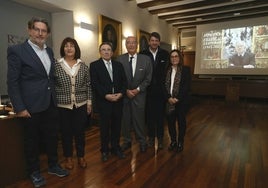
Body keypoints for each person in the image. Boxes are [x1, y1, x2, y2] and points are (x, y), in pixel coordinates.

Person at [7, 17, 69, 188]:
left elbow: (48, 78)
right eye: (37, 29)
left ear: (47, 34)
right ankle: (34, 172)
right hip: (30, 106)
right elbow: (12, 82)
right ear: (29, 30)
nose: (40, 33)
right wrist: (19, 107)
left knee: (51, 137)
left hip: (50, 103)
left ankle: (53, 165)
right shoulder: (17, 50)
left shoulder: (49, 51)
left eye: (43, 31)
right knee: (31, 141)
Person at [54, 37, 92, 169]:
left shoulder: (83, 66)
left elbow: (88, 86)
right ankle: (68, 158)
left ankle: (81, 157)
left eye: (72, 46)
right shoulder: (56, 65)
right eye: (66, 46)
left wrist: (89, 103)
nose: (69, 48)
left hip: (80, 105)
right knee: (66, 133)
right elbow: (52, 86)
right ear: (62, 49)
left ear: (76, 49)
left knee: (80, 132)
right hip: (63, 106)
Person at [90, 42, 127, 162]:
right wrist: (106, 95)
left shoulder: (118, 65)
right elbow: (95, 84)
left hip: (118, 101)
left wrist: (121, 94)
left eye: (108, 49)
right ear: (100, 52)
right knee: (104, 128)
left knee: (117, 126)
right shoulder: (94, 65)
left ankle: (116, 147)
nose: (106, 52)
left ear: (112, 52)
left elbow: (124, 82)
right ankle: (104, 150)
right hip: (104, 102)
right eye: (103, 49)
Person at [117, 36, 152, 153]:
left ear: (137, 44)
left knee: (139, 120)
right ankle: (127, 141)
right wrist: (126, 90)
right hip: (124, 95)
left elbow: (148, 78)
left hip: (140, 95)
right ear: (125, 45)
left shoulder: (146, 59)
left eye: (133, 43)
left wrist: (137, 89)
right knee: (125, 120)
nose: (131, 45)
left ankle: (142, 141)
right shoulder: (119, 59)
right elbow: (118, 78)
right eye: (128, 43)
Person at [140, 32, 169, 150]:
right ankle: (151, 138)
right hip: (147, 91)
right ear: (149, 42)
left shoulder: (165, 54)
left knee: (160, 117)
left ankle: (160, 139)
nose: (154, 42)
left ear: (159, 42)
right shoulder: (143, 54)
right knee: (149, 117)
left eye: (156, 40)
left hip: (161, 91)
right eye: (152, 40)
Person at [163, 49, 191, 153]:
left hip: (181, 101)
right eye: (172, 57)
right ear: (170, 59)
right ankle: (173, 141)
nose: (174, 58)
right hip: (169, 101)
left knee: (181, 123)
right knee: (170, 123)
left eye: (176, 56)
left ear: (180, 58)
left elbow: (186, 87)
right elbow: (163, 86)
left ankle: (180, 142)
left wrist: (177, 98)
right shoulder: (166, 70)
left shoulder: (186, 70)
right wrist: (168, 98)